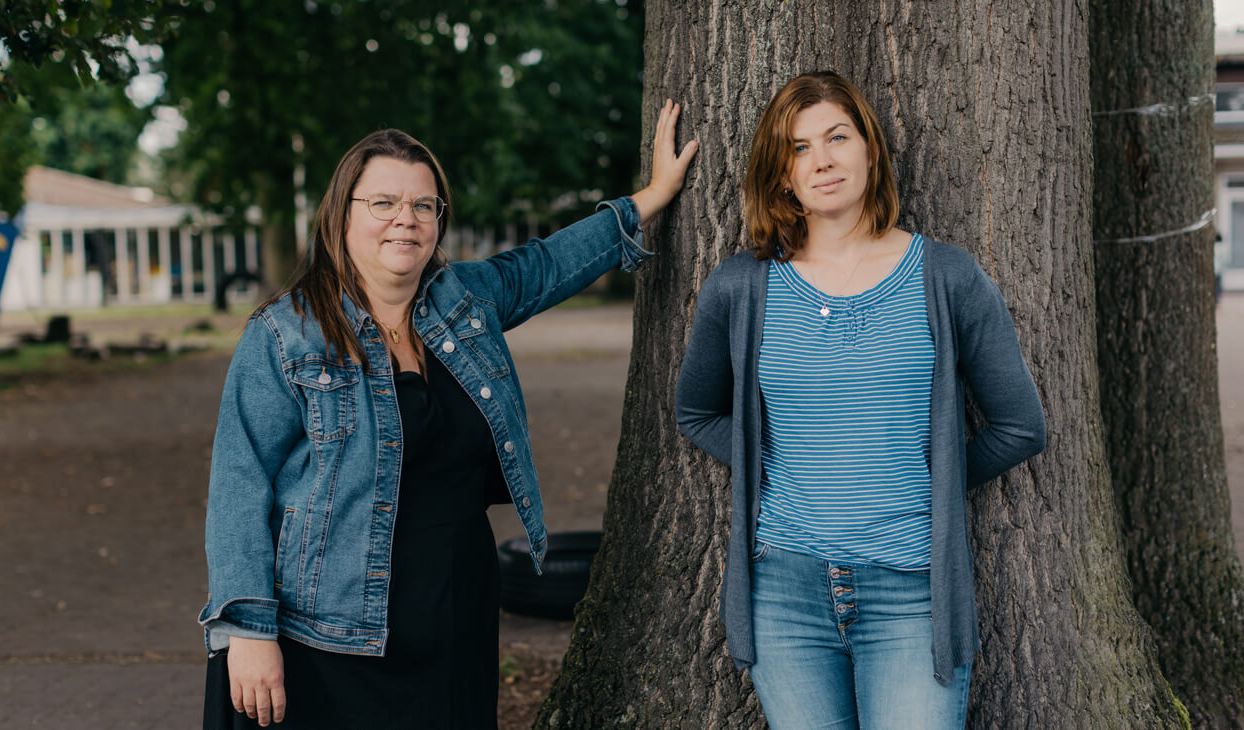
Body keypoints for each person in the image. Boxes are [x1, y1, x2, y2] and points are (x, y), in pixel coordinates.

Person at [200, 101, 697, 729]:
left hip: (456, 606)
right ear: (341, 214)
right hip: (329, 627)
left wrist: (650, 197)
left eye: (423, 205)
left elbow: (547, 264)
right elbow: (239, 485)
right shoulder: (286, 334)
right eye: (382, 203)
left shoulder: (463, 302)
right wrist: (246, 629)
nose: (404, 220)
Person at [674, 71, 1046, 729]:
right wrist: (770, 471)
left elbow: (1019, 426)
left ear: (869, 150)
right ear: (781, 175)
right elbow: (697, 412)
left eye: (837, 137)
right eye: (797, 147)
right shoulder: (740, 289)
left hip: (912, 594)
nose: (821, 160)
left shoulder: (947, 278)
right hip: (784, 594)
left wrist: (933, 477)